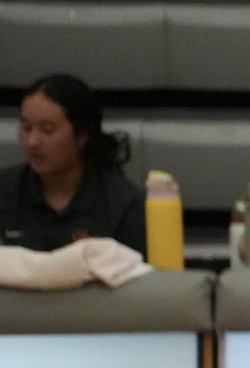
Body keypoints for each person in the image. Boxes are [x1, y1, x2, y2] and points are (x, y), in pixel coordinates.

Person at [1, 74, 145, 257]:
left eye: (48, 130)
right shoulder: (5, 190)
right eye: (27, 127)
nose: (32, 142)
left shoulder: (124, 205)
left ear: (82, 136)